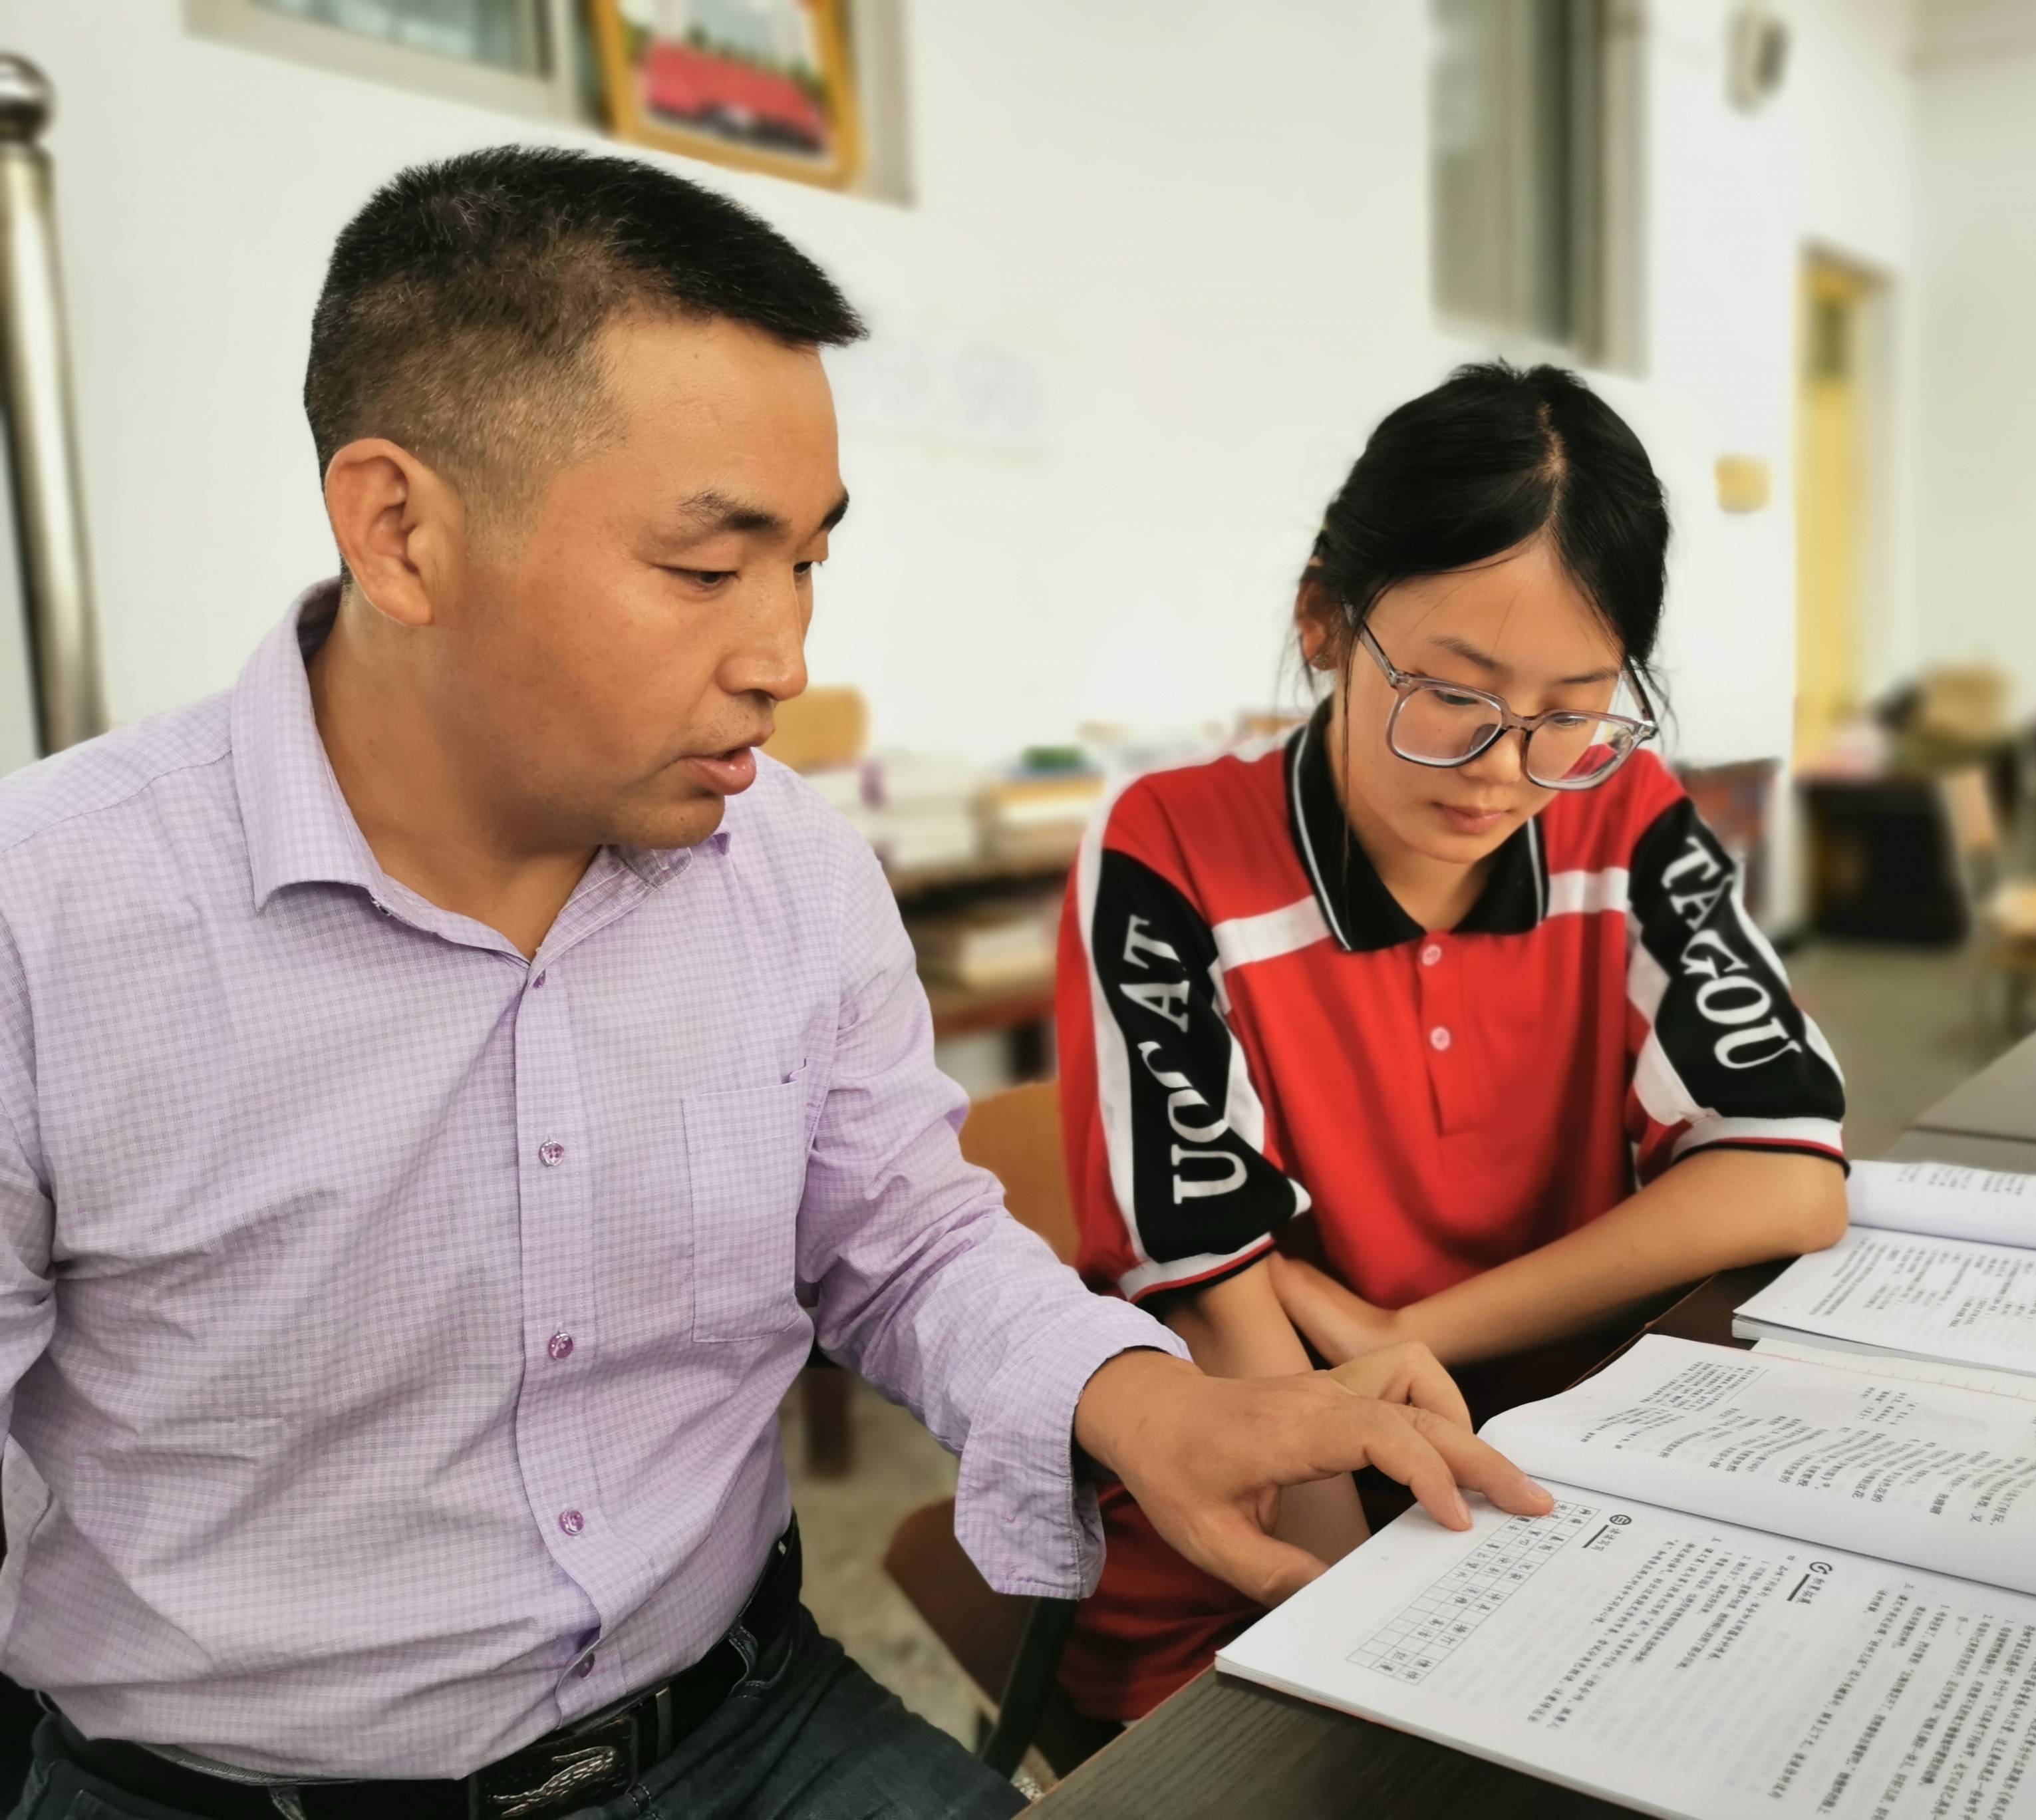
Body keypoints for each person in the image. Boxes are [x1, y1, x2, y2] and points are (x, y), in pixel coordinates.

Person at [0, 149, 1551, 1820]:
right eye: (706, 565)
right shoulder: (55, 920)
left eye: (808, 560)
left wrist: (1138, 1402)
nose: (785, 659)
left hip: (743, 1733)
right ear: (401, 531)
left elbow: (900, 1238)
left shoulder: (784, 864)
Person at [1054, 361, 1852, 1721]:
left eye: (1570, 710)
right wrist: (1389, 1654)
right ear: (1323, 619)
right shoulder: (1170, 851)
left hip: (1573, 1482)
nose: (1502, 770)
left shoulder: (1625, 817)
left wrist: (1395, 1328)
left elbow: (1787, 1175)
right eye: (1450, 693)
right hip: (1271, 1543)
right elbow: (1225, 1312)